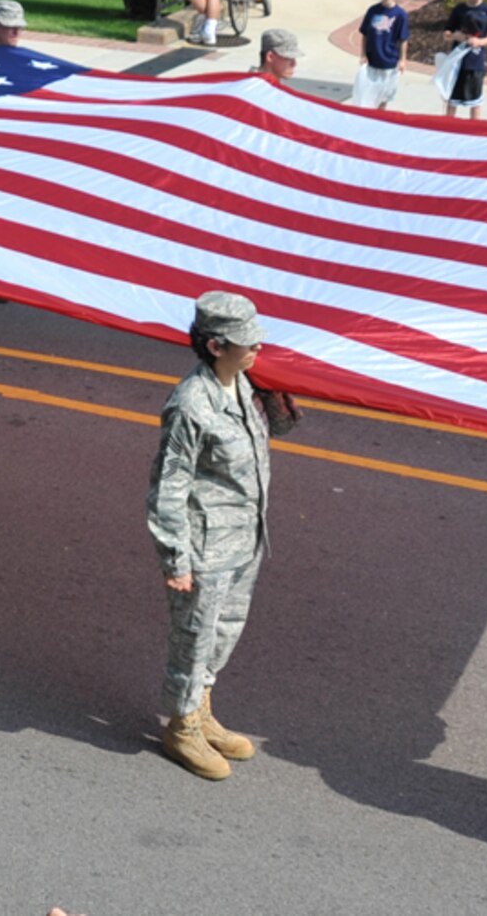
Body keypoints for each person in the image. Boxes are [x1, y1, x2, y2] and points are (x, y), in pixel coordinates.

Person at [148, 291, 299, 782]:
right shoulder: (192, 404)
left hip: (245, 536)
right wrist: (177, 559)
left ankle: (202, 705)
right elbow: (168, 487)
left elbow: (268, 438)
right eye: (245, 342)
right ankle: (182, 725)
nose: (257, 348)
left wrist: (279, 403)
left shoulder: (244, 384)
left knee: (224, 631)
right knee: (193, 637)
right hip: (206, 546)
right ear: (215, 346)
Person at [442, 0, 487, 118]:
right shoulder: (459, 10)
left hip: (475, 63)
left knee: (475, 101)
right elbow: (446, 33)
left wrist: (480, 42)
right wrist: (456, 36)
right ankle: (448, 126)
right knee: (452, 99)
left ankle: (474, 127)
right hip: (457, 62)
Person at [353, 0, 409, 109]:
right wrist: (363, 54)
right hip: (373, 60)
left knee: (384, 95)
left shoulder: (400, 14)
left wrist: (402, 59)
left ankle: (381, 116)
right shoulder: (373, 11)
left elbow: (403, 39)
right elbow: (365, 34)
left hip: (389, 61)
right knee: (370, 93)